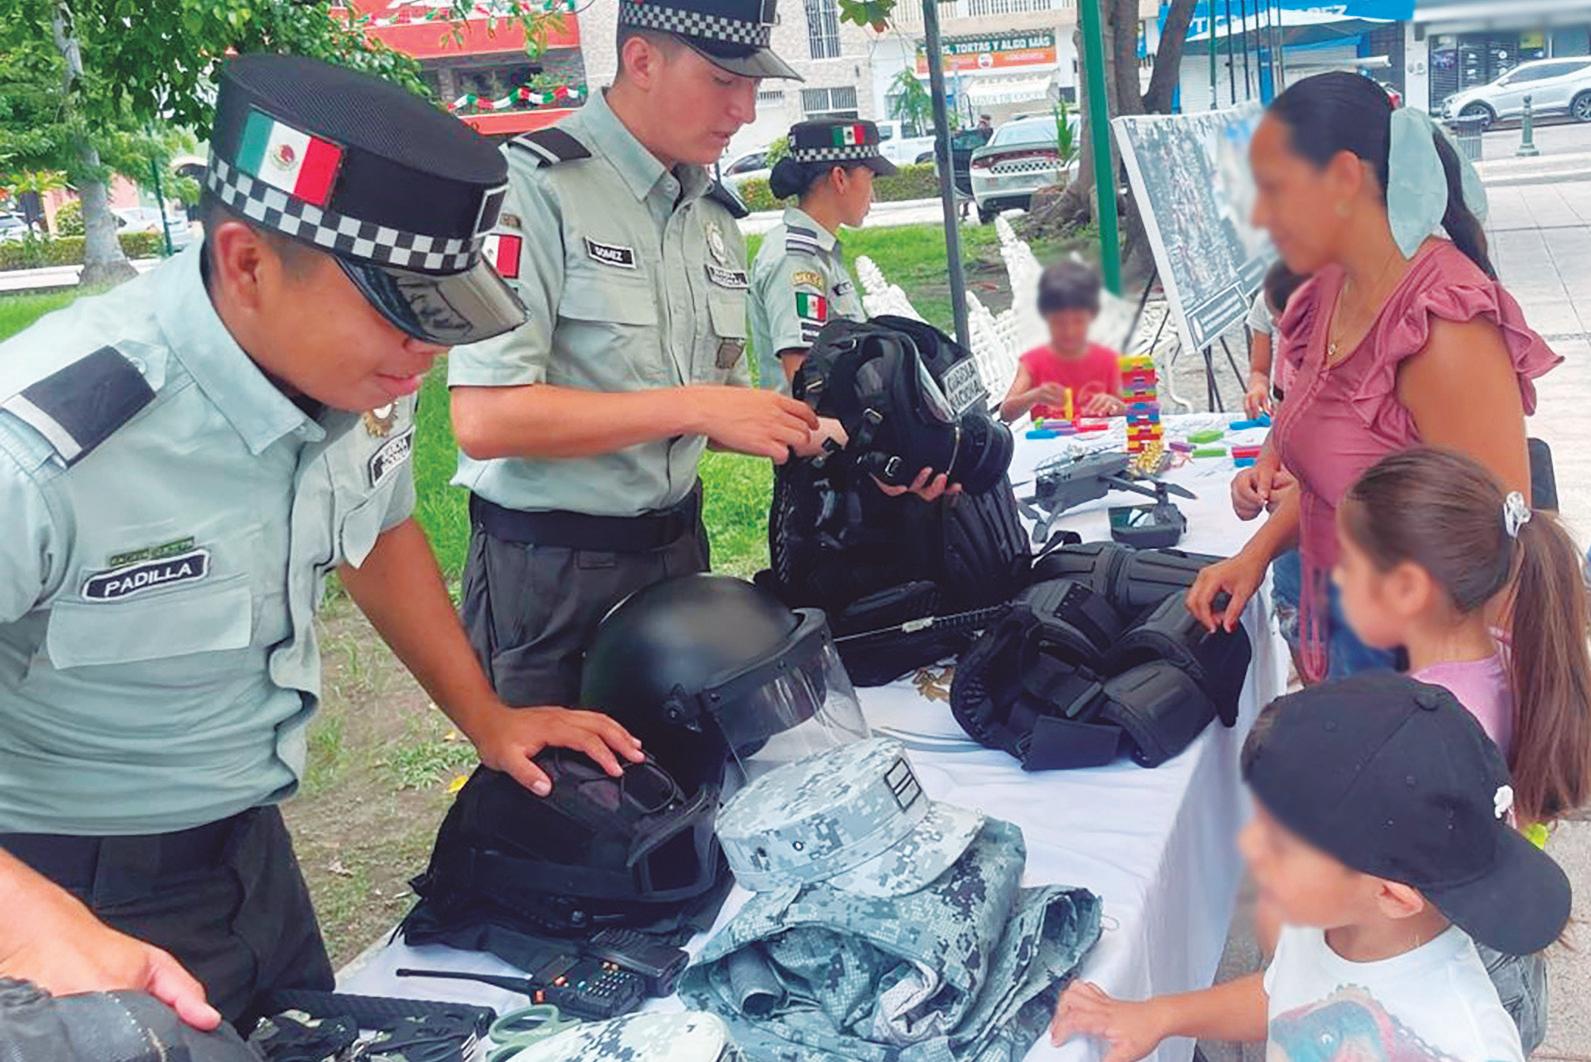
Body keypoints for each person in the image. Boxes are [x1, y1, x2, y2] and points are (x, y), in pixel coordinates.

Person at [0, 54, 643, 1033]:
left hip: (249, 854)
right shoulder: (43, 447)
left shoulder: (359, 371)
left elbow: (378, 529)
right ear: (248, 264)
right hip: (63, 888)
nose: (428, 352)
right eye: (398, 311)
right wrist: (30, 930)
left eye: (440, 311)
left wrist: (485, 716)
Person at [446, 0, 821, 712]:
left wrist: (829, 432)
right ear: (642, 60)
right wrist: (693, 406)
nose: (744, 110)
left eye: (753, 86)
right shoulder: (535, 186)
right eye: (722, 80)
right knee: (564, 776)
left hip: (677, 549)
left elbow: (720, 408)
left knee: (689, 766)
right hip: (553, 573)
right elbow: (486, 418)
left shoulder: (711, 216)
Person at [1187, 71, 1560, 683]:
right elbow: (1334, 484)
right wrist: (1255, 554)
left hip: (1419, 676)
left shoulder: (1444, 326)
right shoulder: (1328, 290)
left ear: (1343, 177)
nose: (1259, 215)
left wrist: (1450, 709)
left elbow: (1496, 550)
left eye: (1275, 189)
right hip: (1343, 638)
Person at [1052, 673, 1572, 1061]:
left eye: (1279, 845)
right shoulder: (1332, 925)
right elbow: (1285, 996)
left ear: (1392, 895)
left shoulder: (1463, 1044)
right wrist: (1161, 1015)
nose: (1247, 845)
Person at [1333, 446, 1591, 1051]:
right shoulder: (1512, 653)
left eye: (1348, 565)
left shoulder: (1424, 724)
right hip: (1504, 945)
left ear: (1406, 589)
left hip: (1453, 972)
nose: (1336, 580)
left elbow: (1388, 882)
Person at [749, 118, 895, 393]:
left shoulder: (818, 252)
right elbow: (808, 383)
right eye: (870, 178)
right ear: (840, 178)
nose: (873, 196)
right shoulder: (797, 260)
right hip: (812, 421)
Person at [999, 259, 1125, 423]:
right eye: (1059, 323)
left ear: (1092, 317)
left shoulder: (1107, 360)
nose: (1069, 331)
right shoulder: (1033, 362)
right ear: (1046, 319)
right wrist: (1033, 396)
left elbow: (1134, 410)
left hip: (1100, 437)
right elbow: (1006, 413)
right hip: (1051, 438)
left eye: (1078, 321)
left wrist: (1116, 405)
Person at [1242, 261, 1307, 417]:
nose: (1278, 323)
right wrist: (1258, 387)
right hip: (1284, 407)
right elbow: (1259, 370)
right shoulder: (1266, 301)